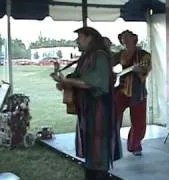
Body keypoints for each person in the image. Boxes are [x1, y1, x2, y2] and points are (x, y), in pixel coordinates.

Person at [50, 26, 122, 180]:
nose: (77, 41)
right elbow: (76, 78)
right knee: (91, 153)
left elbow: (93, 82)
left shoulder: (100, 56)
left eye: (80, 37)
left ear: (89, 38)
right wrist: (62, 80)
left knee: (98, 153)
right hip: (88, 111)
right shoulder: (87, 57)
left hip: (100, 111)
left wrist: (67, 81)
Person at [113, 30, 151, 156]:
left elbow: (145, 68)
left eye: (127, 38)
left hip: (138, 92)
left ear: (134, 39)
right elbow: (108, 63)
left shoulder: (144, 55)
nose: (125, 40)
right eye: (123, 38)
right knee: (113, 117)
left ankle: (134, 145)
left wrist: (139, 69)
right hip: (121, 90)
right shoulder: (120, 54)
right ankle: (112, 144)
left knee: (139, 122)